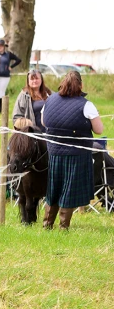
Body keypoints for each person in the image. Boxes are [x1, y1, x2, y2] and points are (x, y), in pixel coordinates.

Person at [40, 71, 105, 229]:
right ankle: (63, 227)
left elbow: (43, 122)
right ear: (80, 85)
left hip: (54, 152)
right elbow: (99, 130)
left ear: (63, 83)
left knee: (54, 188)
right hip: (76, 155)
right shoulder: (86, 105)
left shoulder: (50, 100)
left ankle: (47, 224)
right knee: (68, 189)